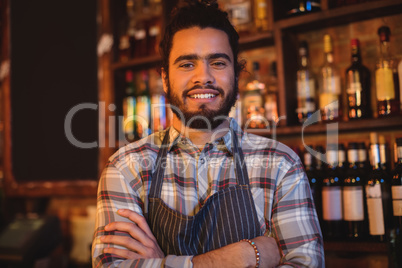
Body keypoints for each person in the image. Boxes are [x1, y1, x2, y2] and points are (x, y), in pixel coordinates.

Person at [92, 0, 324, 267]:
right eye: (187, 64)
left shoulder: (280, 164)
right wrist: (244, 255)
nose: (203, 77)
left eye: (217, 62)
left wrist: (162, 263)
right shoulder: (125, 168)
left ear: (237, 76)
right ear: (165, 79)